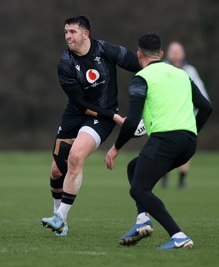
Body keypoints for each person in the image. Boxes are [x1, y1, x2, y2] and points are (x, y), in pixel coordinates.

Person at [105, 33, 212, 249]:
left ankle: (178, 235)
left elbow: (133, 119)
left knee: (138, 190)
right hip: (188, 143)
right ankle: (143, 221)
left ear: (138, 55)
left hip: (165, 139)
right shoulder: (182, 74)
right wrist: (192, 131)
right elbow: (207, 107)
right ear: (161, 54)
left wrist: (115, 148)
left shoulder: (142, 78)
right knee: (134, 169)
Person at [41, 15, 141, 236]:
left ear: (86, 33)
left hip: (101, 117)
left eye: (72, 32)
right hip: (77, 112)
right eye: (66, 32)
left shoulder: (104, 49)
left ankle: (61, 217)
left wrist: (152, 83)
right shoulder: (66, 64)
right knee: (57, 169)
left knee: (75, 157)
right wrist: (116, 117)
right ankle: (58, 217)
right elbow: (80, 103)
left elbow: (138, 64)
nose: (68, 36)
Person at [161, 41, 210, 188]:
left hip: (186, 117)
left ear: (183, 53)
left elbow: (202, 94)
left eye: (178, 51)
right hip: (166, 115)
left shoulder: (190, 71)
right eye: (173, 51)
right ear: (167, 53)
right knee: (163, 146)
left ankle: (182, 179)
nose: (175, 54)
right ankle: (163, 176)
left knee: (185, 147)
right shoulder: (163, 69)